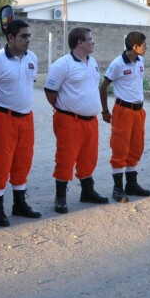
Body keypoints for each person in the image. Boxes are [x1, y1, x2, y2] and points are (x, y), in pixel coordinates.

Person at [0, 19, 41, 226]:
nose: (28, 40)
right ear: (11, 38)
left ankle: (19, 204)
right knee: (1, 162)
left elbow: (27, 84)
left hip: (26, 117)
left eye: (29, 36)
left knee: (23, 160)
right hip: (3, 117)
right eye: (24, 36)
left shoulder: (32, 58)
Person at [45, 27, 108, 214]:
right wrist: (63, 109)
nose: (93, 42)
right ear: (80, 43)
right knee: (66, 157)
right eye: (90, 39)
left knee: (89, 156)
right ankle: (60, 197)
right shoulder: (62, 65)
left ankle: (87, 191)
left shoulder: (93, 62)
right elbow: (50, 92)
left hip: (91, 120)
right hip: (69, 120)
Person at [99, 31, 150, 203]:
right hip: (123, 111)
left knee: (136, 146)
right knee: (120, 147)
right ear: (135, 47)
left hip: (138, 111)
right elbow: (103, 86)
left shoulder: (140, 60)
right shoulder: (117, 64)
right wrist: (105, 111)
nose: (146, 47)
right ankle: (118, 188)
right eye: (144, 45)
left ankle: (131, 184)